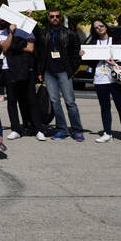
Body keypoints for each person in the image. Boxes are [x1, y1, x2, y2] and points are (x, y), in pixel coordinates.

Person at [35, 8, 85, 141]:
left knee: (70, 102)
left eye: (57, 16)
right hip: (49, 72)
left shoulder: (69, 33)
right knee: (55, 102)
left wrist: (72, 69)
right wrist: (40, 71)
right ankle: (62, 129)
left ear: (60, 17)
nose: (55, 18)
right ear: (48, 18)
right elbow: (39, 54)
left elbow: (77, 52)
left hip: (64, 71)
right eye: (52, 16)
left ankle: (77, 130)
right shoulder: (43, 34)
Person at [83, 19, 121, 146]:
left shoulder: (117, 41)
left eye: (101, 25)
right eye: (96, 27)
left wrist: (115, 62)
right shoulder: (94, 43)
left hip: (115, 78)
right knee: (105, 107)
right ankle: (107, 133)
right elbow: (91, 62)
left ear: (106, 26)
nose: (99, 28)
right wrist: (83, 54)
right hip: (100, 78)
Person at [0, 23, 40, 142]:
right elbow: (5, 47)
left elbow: (30, 48)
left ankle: (37, 128)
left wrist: (13, 48)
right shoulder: (2, 33)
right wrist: (11, 34)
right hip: (9, 69)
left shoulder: (27, 30)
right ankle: (16, 129)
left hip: (26, 68)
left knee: (31, 99)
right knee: (12, 100)